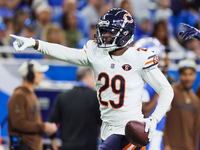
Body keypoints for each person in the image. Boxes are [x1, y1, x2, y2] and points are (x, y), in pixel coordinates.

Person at [10, 8, 174, 150]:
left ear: (124, 34)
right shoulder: (97, 53)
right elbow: (66, 53)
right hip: (107, 130)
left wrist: (154, 118)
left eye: (110, 31)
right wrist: (35, 43)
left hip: (129, 131)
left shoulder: (139, 57)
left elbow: (166, 90)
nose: (104, 35)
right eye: (104, 30)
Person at [7, 60, 57, 150]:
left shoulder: (31, 94)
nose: (43, 75)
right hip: (25, 146)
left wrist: (45, 127)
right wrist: (43, 127)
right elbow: (18, 123)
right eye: (39, 72)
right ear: (31, 74)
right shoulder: (19, 95)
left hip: (31, 146)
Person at [48, 67, 101, 150]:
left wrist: (53, 141)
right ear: (87, 76)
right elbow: (104, 123)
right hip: (88, 147)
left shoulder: (62, 96)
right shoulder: (95, 97)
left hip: (67, 147)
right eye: (94, 77)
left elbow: (51, 124)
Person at [163, 59, 200, 150]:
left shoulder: (196, 101)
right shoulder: (171, 92)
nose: (188, 78)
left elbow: (196, 130)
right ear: (179, 75)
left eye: (190, 74)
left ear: (195, 75)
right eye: (184, 74)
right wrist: (166, 144)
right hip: (171, 147)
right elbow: (162, 119)